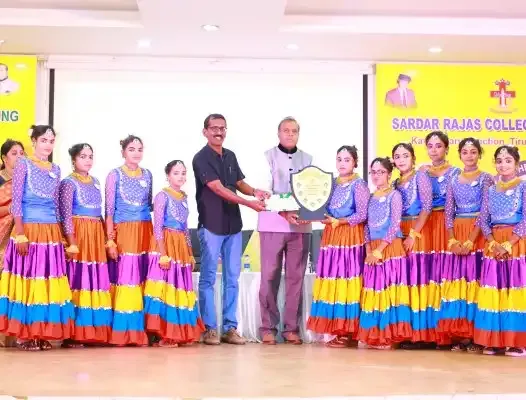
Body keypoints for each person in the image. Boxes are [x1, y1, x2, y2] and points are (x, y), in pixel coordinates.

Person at [192, 113, 267, 345]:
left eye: (222, 128)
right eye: (214, 128)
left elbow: (238, 183)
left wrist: (255, 192)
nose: (219, 132)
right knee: (208, 279)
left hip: (233, 225)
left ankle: (229, 328)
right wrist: (249, 204)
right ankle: (210, 329)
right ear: (205, 131)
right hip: (211, 225)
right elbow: (218, 188)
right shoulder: (201, 158)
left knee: (232, 278)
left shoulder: (230, 155)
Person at [0, 125, 75, 351]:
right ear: (33, 141)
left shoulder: (56, 169)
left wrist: (65, 239)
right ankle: (25, 335)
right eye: (44, 140)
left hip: (51, 233)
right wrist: (20, 234)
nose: (48, 145)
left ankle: (41, 333)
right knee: (29, 281)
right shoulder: (24, 164)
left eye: (51, 141)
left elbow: (57, 206)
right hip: (29, 230)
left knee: (46, 283)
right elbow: (17, 201)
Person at [257, 117, 313, 345]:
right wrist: (284, 212)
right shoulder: (266, 157)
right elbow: (264, 192)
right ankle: (267, 327)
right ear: (278, 133)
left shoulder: (308, 159)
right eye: (286, 130)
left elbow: (312, 191)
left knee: (296, 278)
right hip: (272, 223)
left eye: (294, 131)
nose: (290, 134)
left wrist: (310, 212)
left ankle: (291, 328)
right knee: (269, 276)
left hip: (301, 225)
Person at [307, 145, 369, 348]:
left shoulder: (359, 185)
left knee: (347, 281)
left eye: (347, 160)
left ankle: (349, 331)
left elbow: (362, 215)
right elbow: (320, 207)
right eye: (339, 159)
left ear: (355, 162)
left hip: (350, 238)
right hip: (332, 237)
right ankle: (338, 328)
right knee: (333, 280)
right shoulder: (330, 183)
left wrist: (339, 222)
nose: (342, 163)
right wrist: (311, 214)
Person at [144, 160, 205, 347]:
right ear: (168, 176)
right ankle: (163, 334)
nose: (181, 176)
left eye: (183, 173)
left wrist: (190, 252)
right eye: (176, 173)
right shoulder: (162, 196)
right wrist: (162, 254)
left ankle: (179, 332)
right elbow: (157, 226)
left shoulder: (184, 197)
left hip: (180, 246)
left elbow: (185, 228)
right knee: (164, 288)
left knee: (179, 288)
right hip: (165, 244)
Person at [440, 138, 493, 352]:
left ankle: (476, 335)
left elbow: (485, 211)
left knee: (475, 280)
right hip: (457, 232)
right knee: (459, 281)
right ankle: (460, 334)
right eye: (465, 152)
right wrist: (452, 239)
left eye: (473, 152)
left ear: (479, 154)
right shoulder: (453, 179)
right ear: (459, 155)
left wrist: (471, 239)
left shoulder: (486, 178)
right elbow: (448, 211)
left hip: (477, 233)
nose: (469, 156)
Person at [59, 143, 112, 347]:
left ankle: (94, 331)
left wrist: (106, 238)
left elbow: (99, 212)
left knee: (95, 280)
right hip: (79, 235)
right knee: (78, 278)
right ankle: (74, 333)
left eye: (90, 156)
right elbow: (65, 215)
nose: (88, 160)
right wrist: (71, 242)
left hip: (95, 235)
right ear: (74, 160)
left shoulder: (96, 181)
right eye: (83, 156)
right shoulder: (68, 183)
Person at [475, 145, 526, 357]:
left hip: (516, 243)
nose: (503, 165)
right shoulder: (490, 190)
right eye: (499, 161)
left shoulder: (523, 186)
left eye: (508, 160)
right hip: (493, 244)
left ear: (516, 164)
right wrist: (492, 241)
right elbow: (483, 219)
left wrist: (509, 243)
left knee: (514, 289)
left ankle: (517, 342)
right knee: (494, 291)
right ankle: (494, 341)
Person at [357, 157, 411, 349]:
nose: (376, 175)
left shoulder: (394, 195)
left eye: (380, 172)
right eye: (373, 172)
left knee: (389, 290)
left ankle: (391, 336)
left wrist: (379, 250)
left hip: (390, 247)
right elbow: (366, 226)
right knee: (375, 291)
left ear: (389, 174)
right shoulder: (370, 197)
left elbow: (395, 224)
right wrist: (369, 250)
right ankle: (375, 334)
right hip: (373, 250)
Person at [105, 135, 154, 346]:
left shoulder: (148, 174)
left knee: (144, 277)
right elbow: (109, 211)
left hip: (145, 230)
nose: (136, 153)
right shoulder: (114, 175)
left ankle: (144, 328)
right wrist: (110, 240)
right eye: (132, 149)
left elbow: (149, 204)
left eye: (140, 149)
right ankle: (126, 332)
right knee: (128, 278)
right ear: (123, 152)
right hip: (124, 231)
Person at [391, 143, 434, 349]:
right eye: (397, 156)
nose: (401, 160)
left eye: (405, 156)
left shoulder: (421, 177)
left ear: (413, 158)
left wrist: (413, 235)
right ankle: (407, 332)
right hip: (401, 231)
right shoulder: (395, 183)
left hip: (418, 231)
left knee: (419, 278)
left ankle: (423, 335)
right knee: (405, 280)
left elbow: (427, 207)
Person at [421, 131, 460, 349]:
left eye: (438, 145)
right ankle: (428, 333)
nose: (434, 150)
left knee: (446, 274)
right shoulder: (422, 172)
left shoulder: (456, 173)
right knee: (428, 275)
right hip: (426, 226)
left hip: (447, 225)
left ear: (446, 148)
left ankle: (448, 333)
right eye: (430, 146)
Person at [0, 139, 24, 348]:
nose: (19, 157)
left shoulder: (28, 180)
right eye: (14, 153)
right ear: (4, 158)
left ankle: (15, 331)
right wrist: (10, 210)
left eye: (22, 153)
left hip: (21, 235)